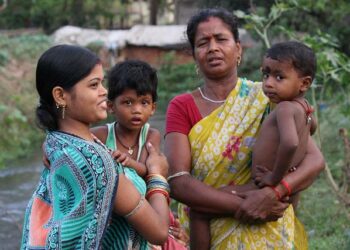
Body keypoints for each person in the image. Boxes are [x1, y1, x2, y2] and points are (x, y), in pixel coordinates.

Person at [164, 8, 325, 250]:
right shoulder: (182, 106)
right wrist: (245, 206)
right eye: (203, 43)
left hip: (269, 229)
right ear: (194, 54)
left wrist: (273, 193)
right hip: (207, 232)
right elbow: (178, 181)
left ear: (238, 49)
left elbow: (314, 161)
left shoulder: (271, 97)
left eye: (221, 39)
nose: (213, 48)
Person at [21, 45, 170, 249]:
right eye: (94, 85)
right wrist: (157, 175)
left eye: (102, 83)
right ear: (60, 96)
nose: (104, 92)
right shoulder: (101, 168)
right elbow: (159, 232)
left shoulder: (58, 142)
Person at [188, 40, 319, 249]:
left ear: (304, 83)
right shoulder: (306, 110)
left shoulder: (284, 108)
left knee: (198, 210)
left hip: (262, 183)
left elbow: (291, 143)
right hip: (284, 186)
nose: (268, 83)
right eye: (266, 75)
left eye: (279, 77)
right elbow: (308, 133)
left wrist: (273, 178)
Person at [91, 60, 189, 249]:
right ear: (111, 106)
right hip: (117, 216)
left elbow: (149, 171)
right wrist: (48, 146)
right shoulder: (102, 134)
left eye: (144, 102)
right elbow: (75, 139)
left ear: (153, 107)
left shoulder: (151, 135)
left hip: (148, 213)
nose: (136, 110)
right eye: (127, 102)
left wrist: (128, 162)